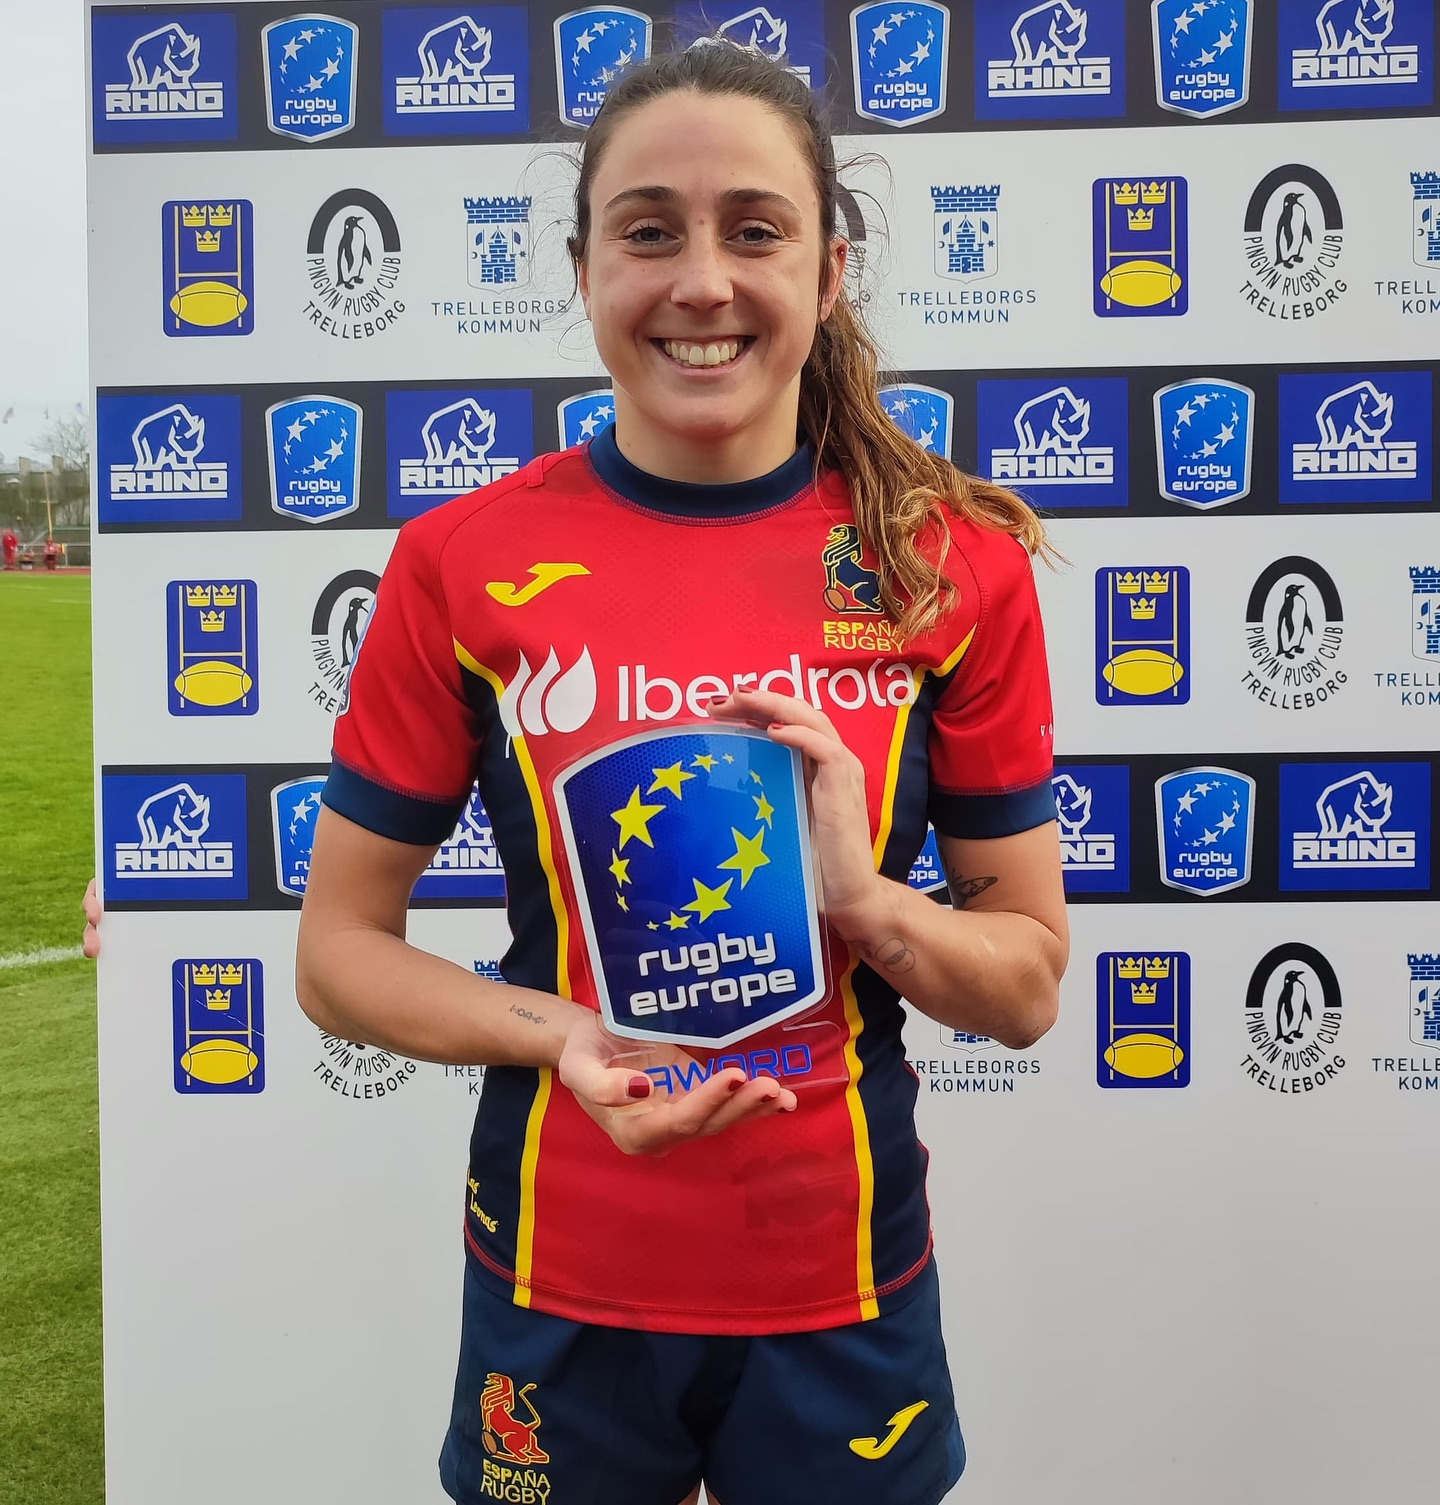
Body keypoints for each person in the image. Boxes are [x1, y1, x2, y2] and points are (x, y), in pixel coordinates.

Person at [298, 40, 1068, 1505]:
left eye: (755, 231)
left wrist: (867, 902)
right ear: (583, 269)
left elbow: (1025, 987)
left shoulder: (948, 563)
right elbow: (337, 956)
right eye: (648, 231)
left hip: (842, 1281)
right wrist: (563, 1039)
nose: (702, 281)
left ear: (829, 273)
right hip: (558, 1273)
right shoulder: (461, 560)